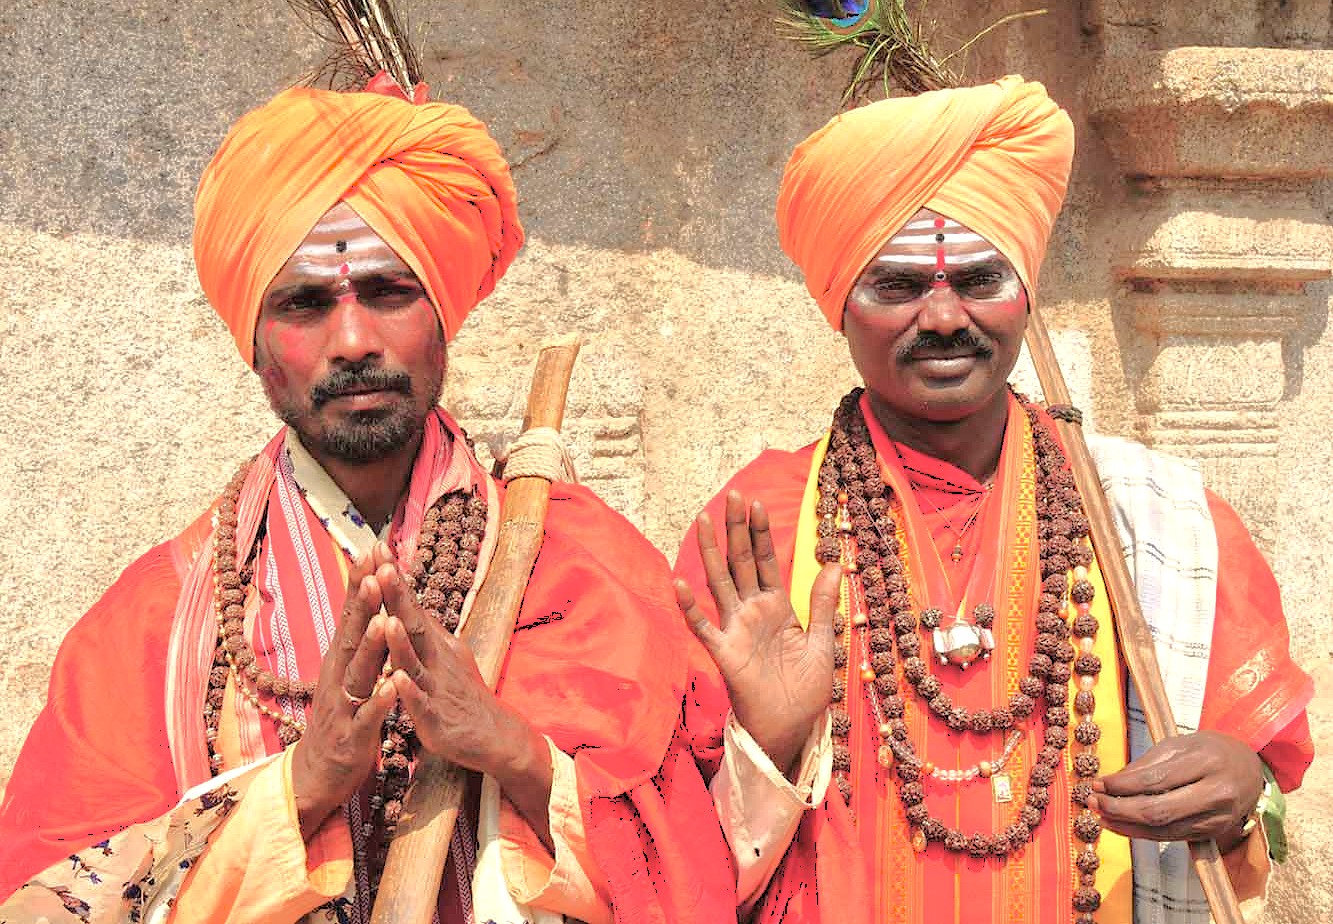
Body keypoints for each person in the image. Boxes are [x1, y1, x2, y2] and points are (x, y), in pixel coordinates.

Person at [0, 75, 736, 924]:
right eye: (306, 304)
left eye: (388, 293)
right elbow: (43, 899)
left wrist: (514, 753)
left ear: (441, 318)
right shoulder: (153, 625)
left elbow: (703, 865)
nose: (352, 341)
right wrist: (302, 787)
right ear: (256, 345)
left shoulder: (580, 565)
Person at [674, 76, 1314, 924]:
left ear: (1024, 299)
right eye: (897, 287)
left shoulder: (1152, 515)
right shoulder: (762, 521)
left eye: (978, 280)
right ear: (839, 307)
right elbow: (666, 838)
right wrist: (768, 742)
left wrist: (1237, 787)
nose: (944, 317)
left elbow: (1264, 779)